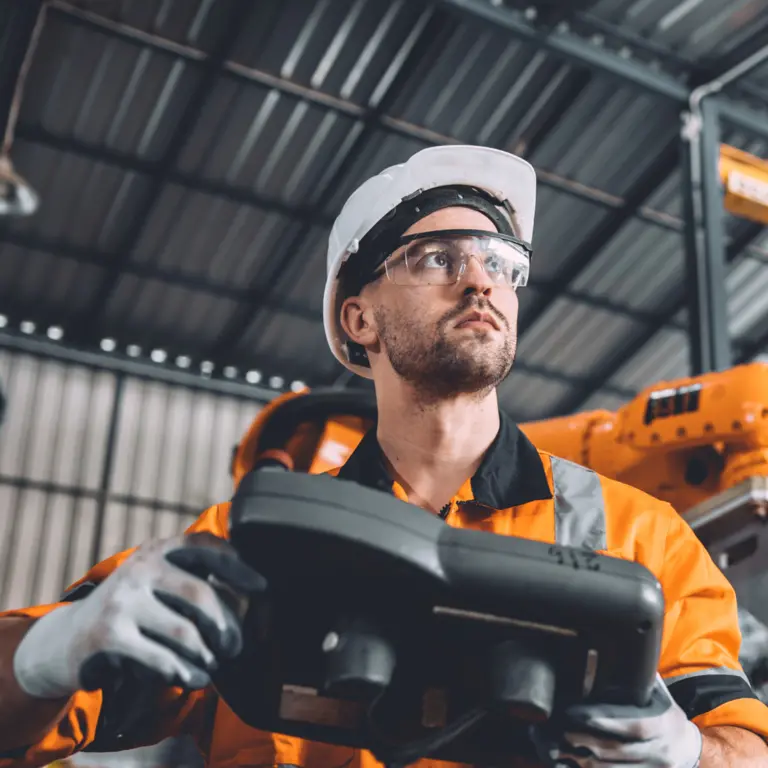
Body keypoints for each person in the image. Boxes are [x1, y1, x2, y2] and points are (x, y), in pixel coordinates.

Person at [1, 145, 767, 768]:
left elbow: (745, 747)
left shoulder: (645, 536)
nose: (479, 278)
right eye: (436, 257)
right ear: (358, 317)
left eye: (502, 262)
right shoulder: (251, 547)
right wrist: (51, 651)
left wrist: (692, 752)